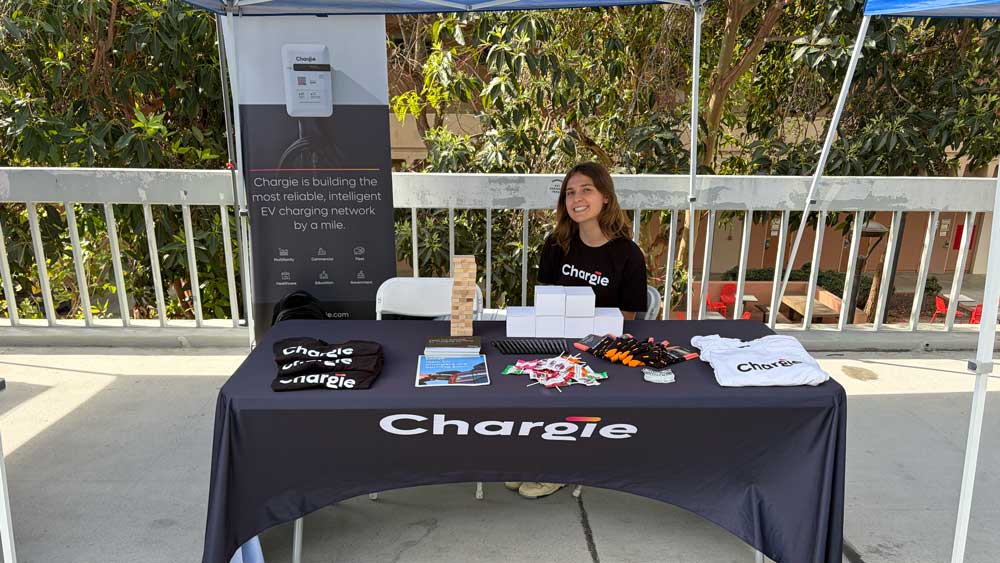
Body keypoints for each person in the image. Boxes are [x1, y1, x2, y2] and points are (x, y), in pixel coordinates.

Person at [506, 161, 648, 500]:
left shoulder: (628, 254)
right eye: (570, 192)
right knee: (519, 382)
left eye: (586, 189)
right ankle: (531, 461)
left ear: (606, 198)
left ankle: (558, 468)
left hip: (602, 349)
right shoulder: (556, 245)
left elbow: (626, 316)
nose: (577, 198)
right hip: (555, 343)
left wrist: (581, 344)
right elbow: (546, 300)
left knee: (566, 393)